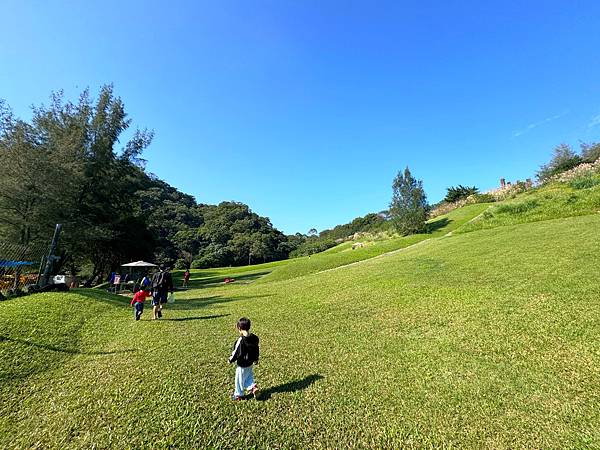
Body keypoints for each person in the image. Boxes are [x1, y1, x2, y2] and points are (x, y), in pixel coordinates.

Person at [228, 317, 260, 400]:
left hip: (242, 364)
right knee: (248, 377)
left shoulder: (241, 340)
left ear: (239, 328)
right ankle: (253, 388)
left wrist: (230, 359)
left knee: (239, 380)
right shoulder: (254, 338)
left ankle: (238, 395)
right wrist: (256, 359)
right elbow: (256, 349)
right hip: (250, 363)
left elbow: (236, 352)